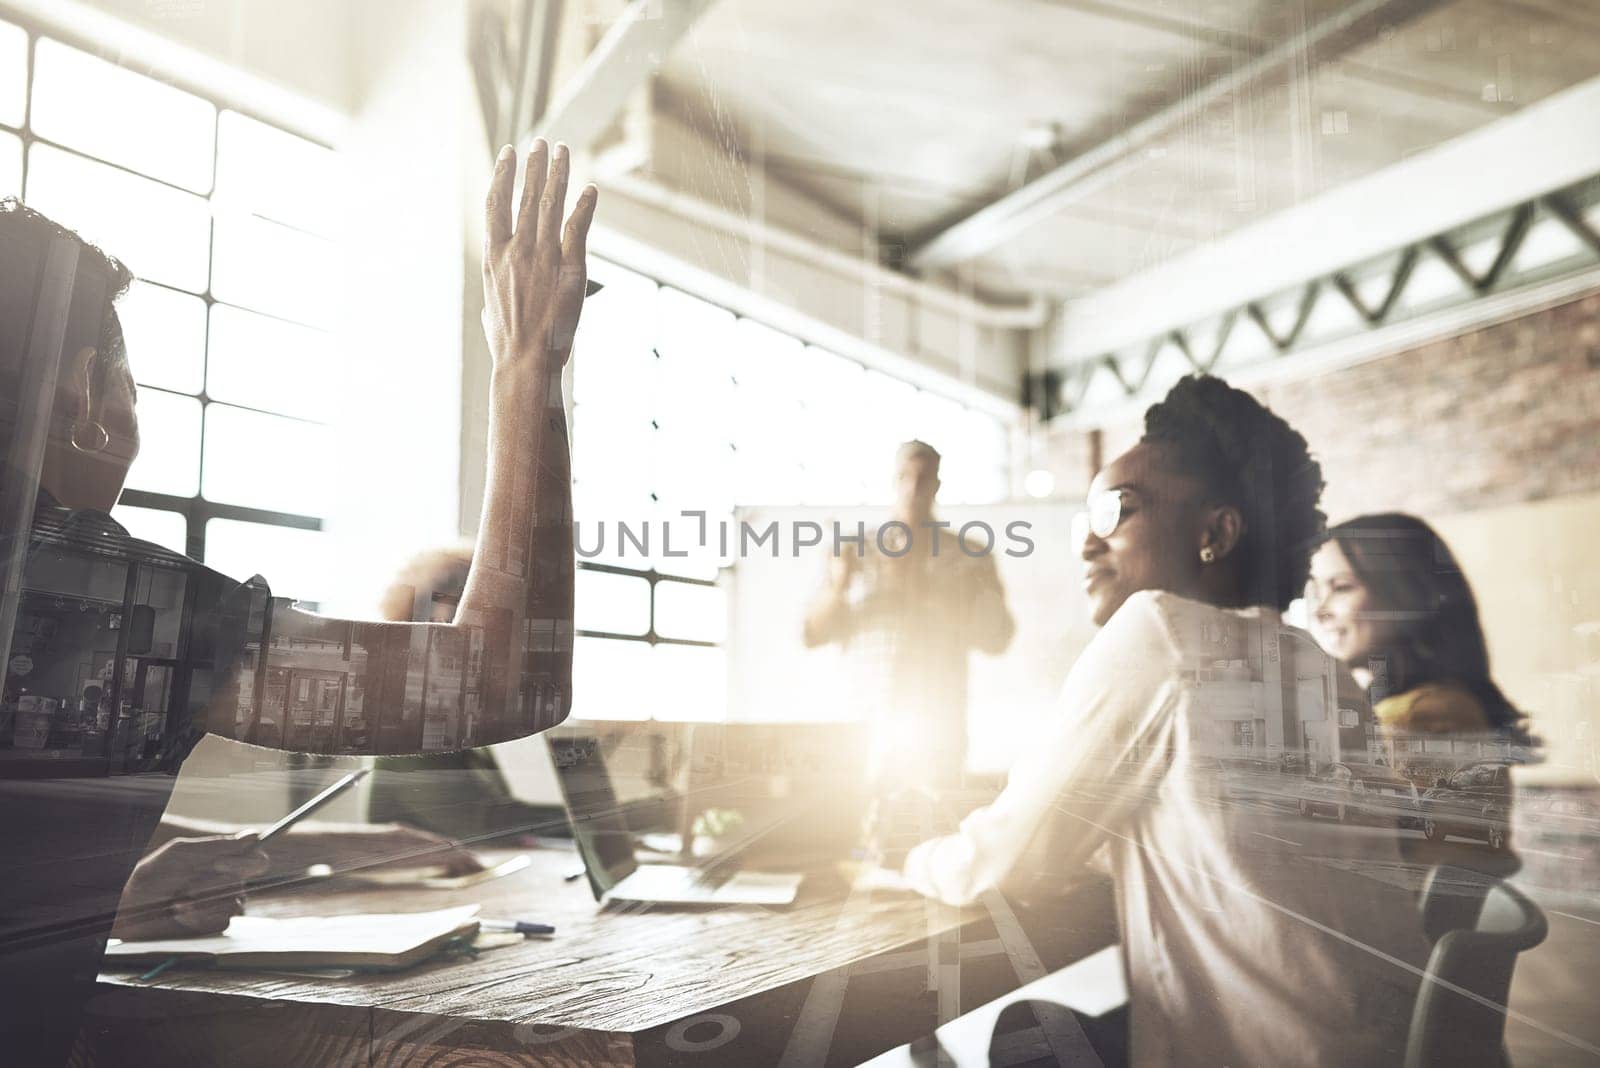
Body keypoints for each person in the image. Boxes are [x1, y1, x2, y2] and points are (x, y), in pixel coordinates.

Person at [0, 140, 595, 1063]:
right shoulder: (105, 595)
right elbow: (509, 680)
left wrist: (119, 889)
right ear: (84, 394)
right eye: (129, 382)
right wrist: (527, 365)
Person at [899, 375, 1431, 1067]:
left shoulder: (1159, 629)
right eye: (1081, 521)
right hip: (1366, 1044)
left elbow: (1006, 863)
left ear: (1215, 532)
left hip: (1268, 1052)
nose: (1088, 546)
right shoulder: (1319, 667)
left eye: (1116, 510)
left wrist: (909, 856)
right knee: (1035, 1031)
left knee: (1022, 1038)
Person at [1305, 513, 1533, 864]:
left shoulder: (1419, 716)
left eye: (1342, 587)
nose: (1319, 610)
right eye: (1315, 589)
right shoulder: (1443, 702)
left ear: (1403, 593)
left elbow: (1360, 862)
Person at [803, 440, 1014, 787]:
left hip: (938, 727)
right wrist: (838, 586)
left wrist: (933, 593)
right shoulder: (855, 550)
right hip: (864, 728)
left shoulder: (969, 555)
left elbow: (999, 638)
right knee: (856, 832)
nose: (913, 488)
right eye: (905, 476)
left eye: (924, 479)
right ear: (892, 480)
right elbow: (812, 635)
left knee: (933, 830)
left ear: (937, 486)